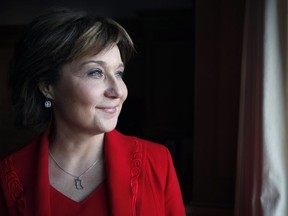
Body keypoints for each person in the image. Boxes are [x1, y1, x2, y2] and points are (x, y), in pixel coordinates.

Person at [0, 7, 186, 216]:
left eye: (119, 73)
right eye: (96, 72)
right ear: (47, 86)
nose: (118, 91)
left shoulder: (158, 161)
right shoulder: (9, 175)